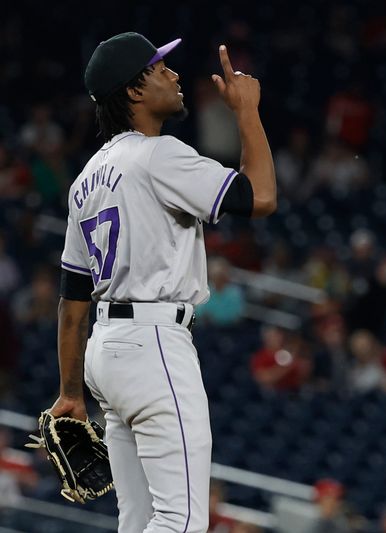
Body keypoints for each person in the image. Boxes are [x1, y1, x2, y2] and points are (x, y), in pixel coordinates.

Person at [51, 33, 277, 533]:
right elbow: (261, 196)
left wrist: (70, 392)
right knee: (182, 521)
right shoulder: (158, 155)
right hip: (153, 342)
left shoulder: (85, 180)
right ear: (134, 91)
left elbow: (72, 302)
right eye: (159, 69)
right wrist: (247, 111)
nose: (173, 75)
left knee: (139, 521)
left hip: (105, 355)